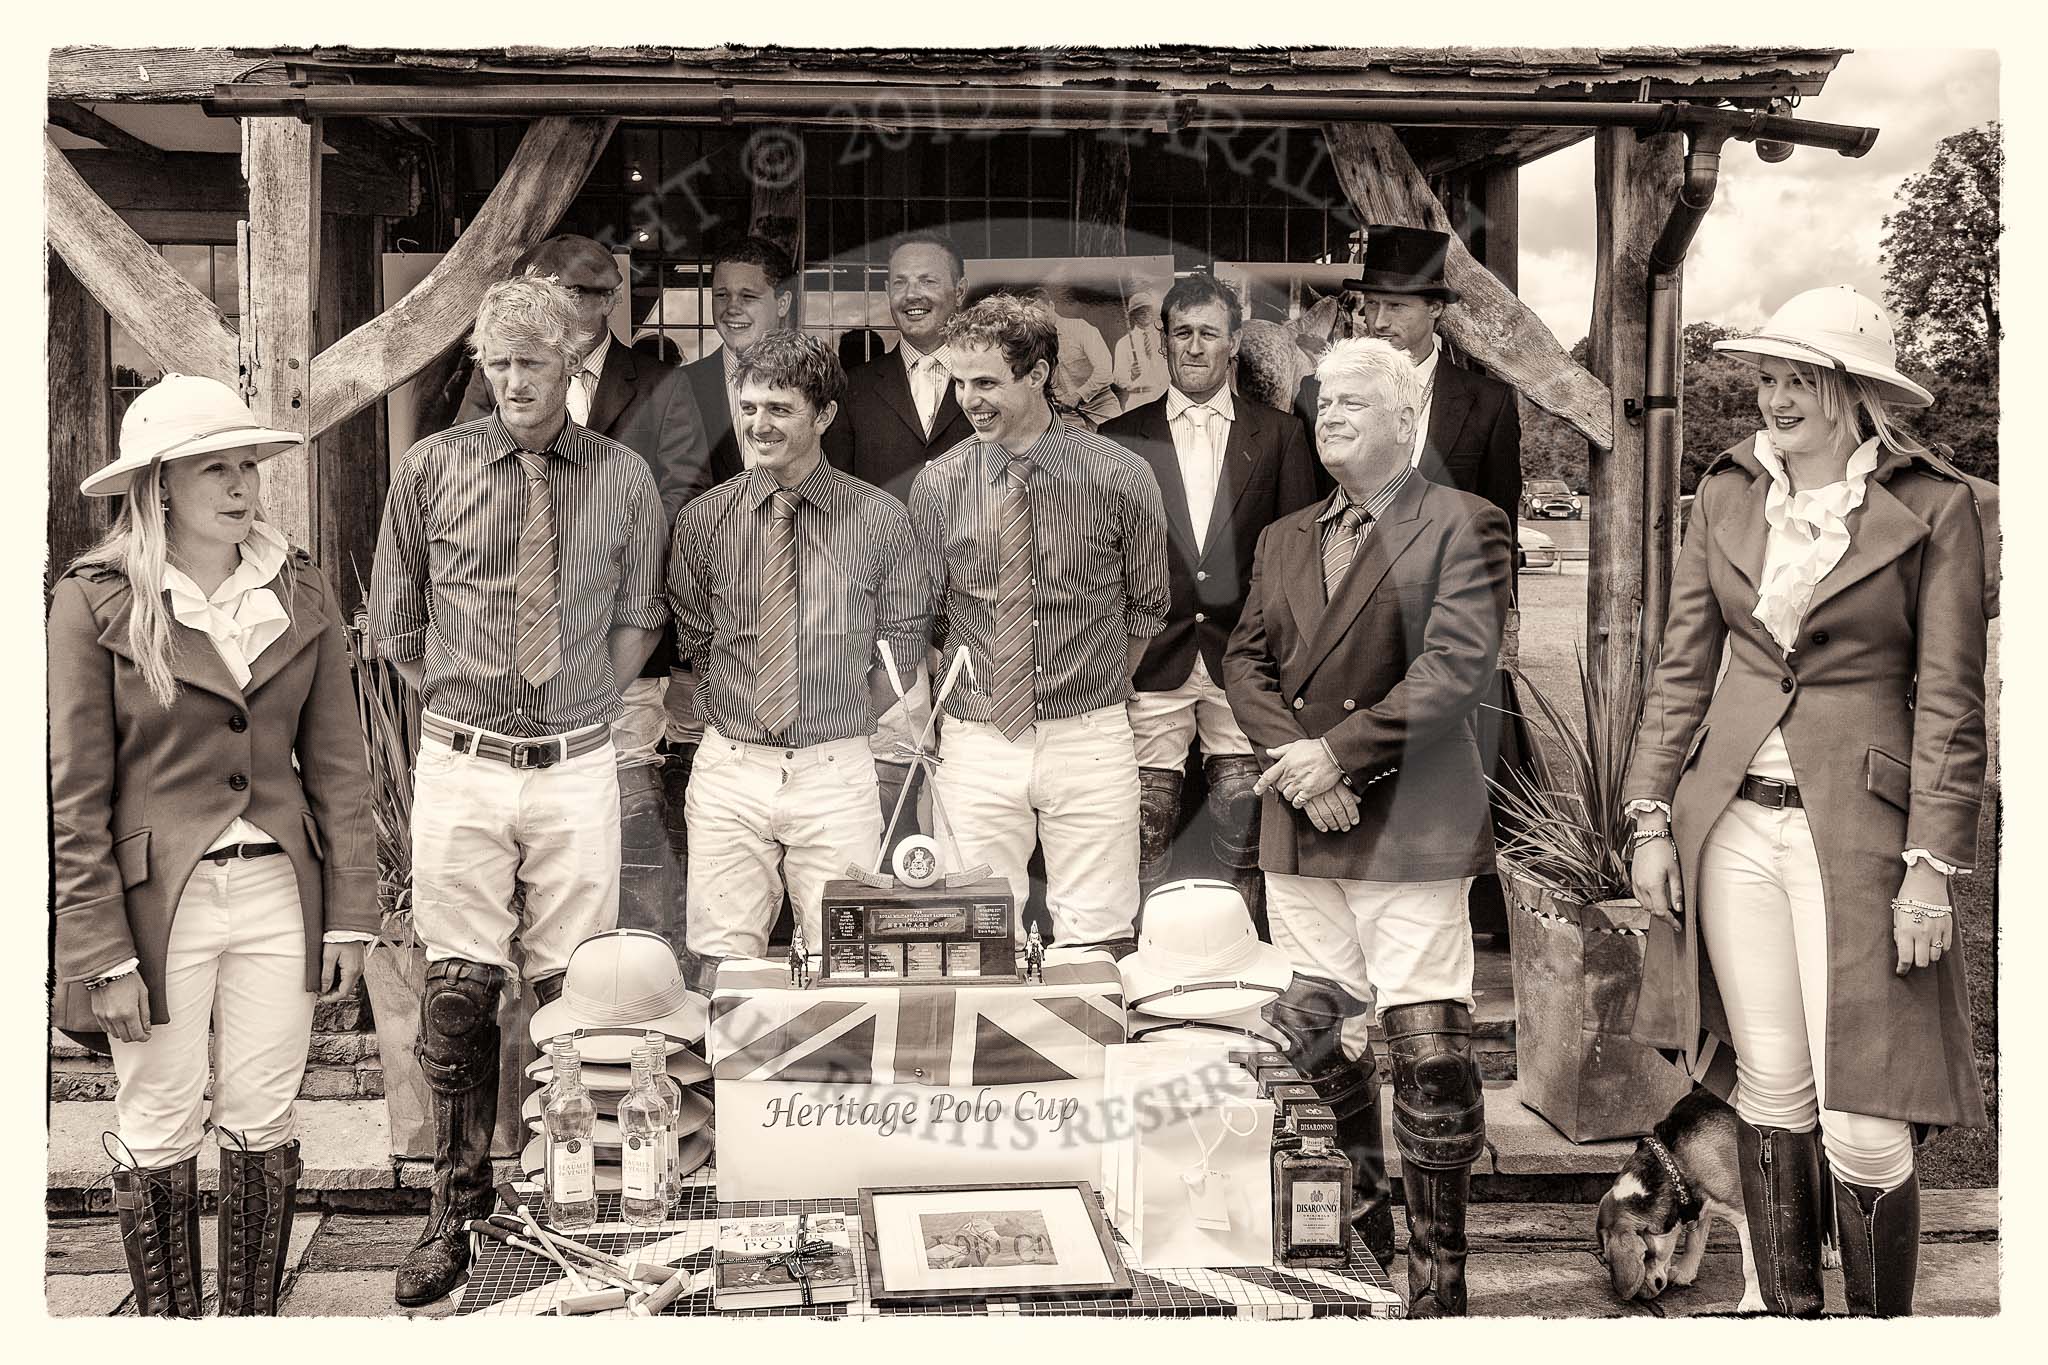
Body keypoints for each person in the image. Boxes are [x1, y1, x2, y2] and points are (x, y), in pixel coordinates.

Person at [1623, 287, 1992, 1318]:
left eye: (1801, 379)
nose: (1775, 397)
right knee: (1771, 1090)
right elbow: (1681, 668)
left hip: (1861, 833)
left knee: (1864, 1120)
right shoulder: (1728, 491)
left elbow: (1950, 700)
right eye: (1769, 377)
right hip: (1727, 823)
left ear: (1851, 392)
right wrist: (1649, 816)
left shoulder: (1933, 506)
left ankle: (1878, 1331)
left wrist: (1929, 866)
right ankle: (1786, 1321)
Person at [49, 376, 377, 1315]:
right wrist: (97, 947)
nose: (241, 487)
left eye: (248, 466)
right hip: (158, 905)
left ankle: (247, 1325)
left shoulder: (297, 585)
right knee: (157, 1115)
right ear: (159, 486)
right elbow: (75, 792)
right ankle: (168, 1329)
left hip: (281, 890)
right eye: (214, 470)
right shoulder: (96, 599)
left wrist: (351, 917)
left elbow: (341, 764)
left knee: (264, 1116)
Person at [372, 274, 668, 1306]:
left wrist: (571, 701)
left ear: (571, 362)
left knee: (575, 988)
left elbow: (638, 622)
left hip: (578, 760)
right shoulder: (429, 468)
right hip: (462, 759)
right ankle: (453, 1209)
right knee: (458, 989)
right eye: (495, 365)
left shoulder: (624, 478)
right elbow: (398, 626)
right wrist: (480, 704)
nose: (511, 383)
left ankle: (559, 1192)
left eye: (530, 363)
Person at [1224, 337, 1512, 1314]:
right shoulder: (1283, 537)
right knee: (1310, 1034)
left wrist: (1337, 754)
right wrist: (1302, 772)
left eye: (1353, 399)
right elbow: (1244, 665)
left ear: (1407, 418)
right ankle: (1364, 1239)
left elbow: (1455, 667)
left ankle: (1439, 1292)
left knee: (1427, 1048)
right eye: (1322, 400)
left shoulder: (1462, 523)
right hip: (1305, 818)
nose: (1330, 413)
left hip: (1409, 815)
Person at [455, 233, 717, 945]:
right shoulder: (492, 379)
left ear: (607, 301)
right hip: (509, 643)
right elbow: (465, 483)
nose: (558, 304)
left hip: (618, 637)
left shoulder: (661, 382)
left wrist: (602, 545)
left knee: (629, 811)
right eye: (547, 288)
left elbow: (684, 489)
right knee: (520, 834)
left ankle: (642, 969)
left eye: (574, 292)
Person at [907, 293, 1170, 949]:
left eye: (987, 381)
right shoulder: (939, 484)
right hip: (976, 737)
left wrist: (1092, 685)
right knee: (973, 934)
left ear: (1038, 373)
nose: (969, 399)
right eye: (959, 381)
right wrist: (928, 711)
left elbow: (1146, 606)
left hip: (1090, 737)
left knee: (1101, 933)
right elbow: (920, 613)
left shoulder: (1123, 476)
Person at [1293, 224, 1526, 939]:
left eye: (1398, 305)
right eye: (1369, 306)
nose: (1380, 320)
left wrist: (1497, 623)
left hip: (1441, 623)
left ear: (1436, 311)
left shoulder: (1484, 401)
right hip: (1351, 624)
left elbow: (1504, 515)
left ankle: (1449, 920)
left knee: (1439, 779)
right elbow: (1310, 520)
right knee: (1345, 767)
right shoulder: (1318, 393)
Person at [668, 331, 929, 965]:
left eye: (780, 409)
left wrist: (837, 718)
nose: (760, 423)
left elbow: (899, 646)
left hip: (835, 771)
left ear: (825, 416)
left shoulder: (881, 519)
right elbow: (698, 634)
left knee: (848, 960)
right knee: (720, 962)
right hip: (731, 767)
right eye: (751, 407)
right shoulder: (704, 519)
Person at [1100, 274, 1320, 930]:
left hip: (1243, 659)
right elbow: (1103, 560)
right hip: (1150, 658)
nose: (1195, 347)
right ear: (1162, 343)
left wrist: (1281, 656)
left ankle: (1248, 958)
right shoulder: (1121, 437)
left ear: (1232, 345)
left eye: (1209, 334)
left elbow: (1297, 556)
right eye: (1183, 334)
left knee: (1247, 821)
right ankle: (1138, 965)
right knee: (1142, 824)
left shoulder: (1280, 436)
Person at [821, 231, 976, 857]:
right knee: (890, 786)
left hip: (978, 612)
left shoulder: (989, 379)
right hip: (883, 617)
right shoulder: (854, 386)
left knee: (970, 791)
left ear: (959, 292)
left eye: (927, 281)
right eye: (899, 283)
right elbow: (834, 503)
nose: (912, 296)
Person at [681, 235, 801, 487]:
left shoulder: (815, 383)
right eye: (722, 295)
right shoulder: (680, 387)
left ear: (783, 303)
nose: (732, 308)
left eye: (748, 296)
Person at [1110, 287, 1168, 413]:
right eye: (1141, 311)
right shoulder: (1124, 343)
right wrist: (1131, 374)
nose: (1146, 314)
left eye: (1148, 310)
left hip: (1163, 397)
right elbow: (1118, 378)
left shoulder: (1163, 337)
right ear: (1133, 316)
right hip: (1138, 399)